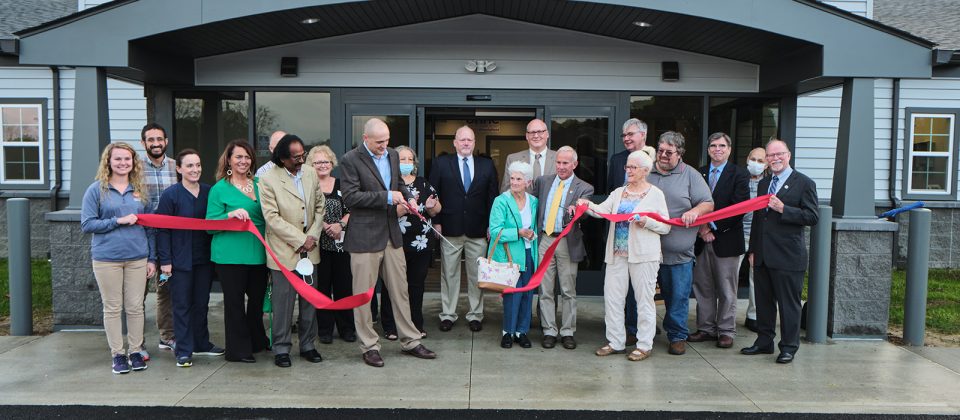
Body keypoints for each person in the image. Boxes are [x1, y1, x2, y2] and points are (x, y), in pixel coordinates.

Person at [340, 118, 436, 368]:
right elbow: (351, 197)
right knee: (363, 295)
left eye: (386, 141)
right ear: (365, 138)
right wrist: (387, 197)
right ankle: (369, 346)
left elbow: (400, 185)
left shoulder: (393, 155)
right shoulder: (350, 160)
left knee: (400, 291)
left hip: (392, 235)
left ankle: (411, 340)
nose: (384, 146)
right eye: (379, 142)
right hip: (364, 237)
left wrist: (408, 198)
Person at [580, 150, 670, 361]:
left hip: (644, 256)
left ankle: (644, 345)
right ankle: (615, 342)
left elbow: (666, 227)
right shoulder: (619, 192)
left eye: (633, 167)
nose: (628, 170)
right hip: (616, 254)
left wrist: (646, 221)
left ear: (645, 171)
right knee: (613, 299)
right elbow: (602, 211)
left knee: (644, 300)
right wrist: (586, 206)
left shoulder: (655, 194)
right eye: (627, 167)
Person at [80, 142, 155, 374]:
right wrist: (117, 221)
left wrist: (152, 258)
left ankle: (135, 351)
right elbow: (87, 224)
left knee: (135, 307)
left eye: (127, 159)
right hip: (107, 259)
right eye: (118, 159)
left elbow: (151, 227)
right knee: (112, 307)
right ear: (108, 162)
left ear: (133, 162)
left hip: (137, 257)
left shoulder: (140, 190)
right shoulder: (96, 190)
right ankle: (118, 355)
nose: (123, 163)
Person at [742, 139, 819, 364]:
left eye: (779, 154)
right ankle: (764, 342)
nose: (774, 158)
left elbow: (812, 216)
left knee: (788, 305)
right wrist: (753, 250)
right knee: (764, 302)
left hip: (788, 256)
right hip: (763, 255)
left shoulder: (804, 183)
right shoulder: (765, 184)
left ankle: (788, 347)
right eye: (770, 155)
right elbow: (758, 219)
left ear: (788, 155)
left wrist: (784, 209)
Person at [259, 134, 325, 368]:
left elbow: (320, 207)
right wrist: (300, 240)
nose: (301, 160)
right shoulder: (267, 179)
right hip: (284, 252)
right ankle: (281, 348)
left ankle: (308, 345)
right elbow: (272, 218)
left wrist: (312, 236)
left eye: (302, 155)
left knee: (310, 301)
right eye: (296, 157)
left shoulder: (310, 173)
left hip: (311, 248)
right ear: (282, 158)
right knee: (283, 303)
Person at [155, 149, 224, 368]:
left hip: (204, 259)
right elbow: (162, 230)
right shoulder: (170, 195)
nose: (195, 170)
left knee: (201, 304)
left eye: (198, 165)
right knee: (181, 305)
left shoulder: (208, 191)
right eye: (190, 166)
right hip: (179, 261)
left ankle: (201, 343)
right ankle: (184, 350)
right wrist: (165, 261)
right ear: (179, 169)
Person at [647, 131, 714, 356]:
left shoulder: (691, 175)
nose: (663, 155)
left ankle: (677, 336)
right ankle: (640, 332)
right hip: (647, 251)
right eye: (661, 150)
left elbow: (707, 202)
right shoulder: (646, 171)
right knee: (642, 295)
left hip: (678, 253)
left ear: (680, 154)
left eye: (669, 152)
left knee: (677, 296)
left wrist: (695, 211)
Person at [429, 125, 499, 332]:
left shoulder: (486, 165)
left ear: (474, 142)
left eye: (470, 140)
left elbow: (492, 198)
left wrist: (490, 226)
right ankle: (448, 314)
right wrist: (437, 221)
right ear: (455, 142)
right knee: (448, 273)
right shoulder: (441, 164)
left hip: (478, 230)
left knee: (477, 275)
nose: (466, 143)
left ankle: (475, 315)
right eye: (462, 140)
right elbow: (434, 195)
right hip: (450, 228)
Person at [206, 139, 269, 363]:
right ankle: (238, 350)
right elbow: (209, 226)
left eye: (247, 157)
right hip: (230, 256)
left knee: (257, 302)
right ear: (229, 160)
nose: (243, 161)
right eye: (238, 157)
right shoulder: (219, 189)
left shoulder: (261, 184)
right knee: (234, 304)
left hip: (259, 253)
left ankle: (257, 341)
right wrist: (229, 215)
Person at [689, 133, 750, 349]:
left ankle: (726, 331)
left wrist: (713, 226)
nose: (717, 149)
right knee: (703, 287)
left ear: (729, 149)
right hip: (700, 239)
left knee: (726, 289)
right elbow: (692, 202)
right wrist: (702, 229)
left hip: (727, 239)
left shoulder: (739, 175)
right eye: (713, 146)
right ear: (708, 150)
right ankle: (706, 328)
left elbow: (739, 207)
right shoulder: (698, 173)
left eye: (722, 146)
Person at [532, 146, 594, 350]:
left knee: (568, 290)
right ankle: (549, 330)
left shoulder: (584, 188)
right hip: (545, 240)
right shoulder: (543, 182)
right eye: (558, 162)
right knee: (545, 289)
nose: (561, 166)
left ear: (575, 164)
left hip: (567, 241)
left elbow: (584, 215)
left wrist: (578, 210)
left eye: (565, 163)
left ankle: (567, 331)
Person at [380, 145, 442, 339]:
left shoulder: (424, 184)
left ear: (414, 163)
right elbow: (383, 212)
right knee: (392, 284)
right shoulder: (388, 183)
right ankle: (390, 326)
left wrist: (431, 207)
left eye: (409, 159)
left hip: (421, 244)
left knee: (416, 285)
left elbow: (437, 208)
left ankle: (416, 324)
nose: (406, 163)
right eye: (401, 159)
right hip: (395, 242)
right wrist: (404, 208)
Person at [308, 144, 356, 344]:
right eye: (318, 162)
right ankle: (325, 329)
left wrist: (340, 224)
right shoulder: (308, 186)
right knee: (322, 288)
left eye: (325, 161)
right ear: (311, 164)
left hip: (341, 244)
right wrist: (325, 225)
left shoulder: (342, 184)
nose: (322, 165)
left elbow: (353, 208)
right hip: (318, 246)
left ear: (332, 163)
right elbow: (306, 213)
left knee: (344, 288)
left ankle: (346, 328)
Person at [489, 161, 539, 349]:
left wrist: (531, 234)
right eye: (512, 178)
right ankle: (508, 332)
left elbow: (534, 227)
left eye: (519, 179)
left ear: (528, 182)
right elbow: (495, 231)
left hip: (529, 253)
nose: (514, 182)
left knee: (527, 294)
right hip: (509, 256)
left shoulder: (534, 201)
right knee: (511, 295)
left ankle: (522, 331)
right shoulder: (501, 201)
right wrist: (518, 232)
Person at [609, 118, 648, 345]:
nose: (626, 138)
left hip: (643, 235)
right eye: (624, 135)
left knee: (640, 289)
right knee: (618, 286)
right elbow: (611, 193)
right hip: (619, 236)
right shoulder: (616, 160)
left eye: (631, 134)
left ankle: (637, 329)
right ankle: (620, 329)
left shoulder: (653, 160)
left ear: (643, 135)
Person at [140, 122, 177, 356]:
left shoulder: (176, 166)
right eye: (150, 140)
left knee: (166, 287)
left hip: (167, 237)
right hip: (141, 237)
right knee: (137, 293)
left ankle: (167, 336)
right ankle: (137, 342)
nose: (156, 143)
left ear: (166, 141)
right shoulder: (134, 167)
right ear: (143, 143)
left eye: (159, 139)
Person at [742, 147, 768, 333]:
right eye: (753, 159)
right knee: (728, 278)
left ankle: (754, 316)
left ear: (766, 164)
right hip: (736, 235)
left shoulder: (768, 184)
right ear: (747, 159)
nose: (756, 163)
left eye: (760, 160)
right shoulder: (739, 180)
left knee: (755, 277)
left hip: (757, 236)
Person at [500, 119, 557, 192]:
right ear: (527, 136)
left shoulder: (559, 158)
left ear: (547, 134)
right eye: (532, 132)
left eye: (540, 132)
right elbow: (506, 190)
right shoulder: (513, 159)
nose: (536, 136)